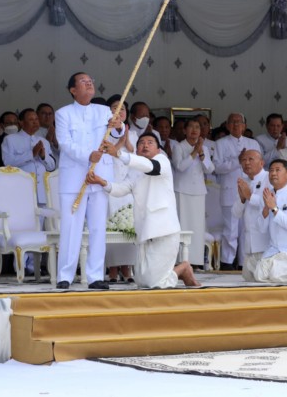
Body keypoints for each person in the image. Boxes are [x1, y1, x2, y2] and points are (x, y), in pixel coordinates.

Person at [87, 133, 199, 288]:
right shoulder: (134, 170)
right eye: (141, 143)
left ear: (158, 150)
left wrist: (118, 153)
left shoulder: (162, 161)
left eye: (150, 142)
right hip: (145, 229)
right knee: (142, 282)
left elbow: (152, 168)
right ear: (137, 150)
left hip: (164, 229)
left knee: (156, 284)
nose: (145, 145)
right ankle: (179, 271)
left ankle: (183, 268)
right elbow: (121, 189)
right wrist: (101, 182)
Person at [55, 72, 122, 290]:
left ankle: (95, 276)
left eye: (91, 81)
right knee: (71, 228)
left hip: (99, 176)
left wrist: (118, 126)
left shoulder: (103, 111)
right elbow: (65, 143)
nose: (89, 83)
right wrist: (88, 155)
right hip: (74, 178)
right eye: (83, 82)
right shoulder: (63, 114)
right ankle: (64, 275)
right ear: (73, 90)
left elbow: (114, 137)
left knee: (97, 228)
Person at [214, 112, 262, 269]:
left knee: (247, 229)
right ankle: (227, 262)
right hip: (230, 192)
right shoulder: (220, 143)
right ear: (227, 125)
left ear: (245, 125)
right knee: (231, 230)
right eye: (233, 122)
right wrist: (237, 160)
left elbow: (260, 166)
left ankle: (243, 263)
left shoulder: (253, 143)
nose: (236, 125)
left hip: (250, 193)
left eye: (239, 122)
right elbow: (217, 167)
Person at [172, 116, 215, 268]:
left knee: (197, 227)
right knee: (183, 224)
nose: (194, 130)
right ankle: (181, 260)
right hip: (182, 190)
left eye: (197, 127)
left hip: (198, 191)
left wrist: (201, 154)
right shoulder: (179, 146)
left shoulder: (204, 148)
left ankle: (195, 260)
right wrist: (194, 153)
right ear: (185, 130)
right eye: (191, 127)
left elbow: (210, 169)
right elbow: (180, 167)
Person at [103, 95, 137, 284]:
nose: (120, 111)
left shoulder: (133, 133)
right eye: (115, 108)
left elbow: (136, 154)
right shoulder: (104, 131)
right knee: (113, 227)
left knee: (128, 226)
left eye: (123, 108)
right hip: (111, 184)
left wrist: (127, 141)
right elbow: (107, 153)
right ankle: (113, 269)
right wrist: (120, 143)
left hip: (128, 185)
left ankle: (127, 268)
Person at [2, 108, 56, 206]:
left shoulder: (43, 141)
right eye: (31, 120)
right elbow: (8, 163)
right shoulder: (10, 140)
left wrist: (43, 156)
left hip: (42, 193)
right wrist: (31, 154)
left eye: (36, 119)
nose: (35, 122)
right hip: (22, 192)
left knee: (43, 220)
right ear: (21, 123)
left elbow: (52, 167)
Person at [232, 150, 269, 281]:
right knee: (248, 281)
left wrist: (249, 196)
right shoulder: (245, 182)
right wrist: (242, 199)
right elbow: (235, 213)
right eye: (244, 160)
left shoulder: (269, 178)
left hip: (265, 245)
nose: (247, 163)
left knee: (263, 282)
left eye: (251, 159)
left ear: (262, 163)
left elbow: (269, 204)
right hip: (249, 247)